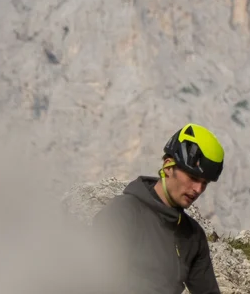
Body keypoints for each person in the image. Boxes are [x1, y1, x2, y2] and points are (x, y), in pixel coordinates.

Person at [94, 123, 227, 294]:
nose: (198, 189)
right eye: (193, 177)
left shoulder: (193, 236)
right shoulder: (123, 213)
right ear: (168, 166)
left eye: (204, 183)